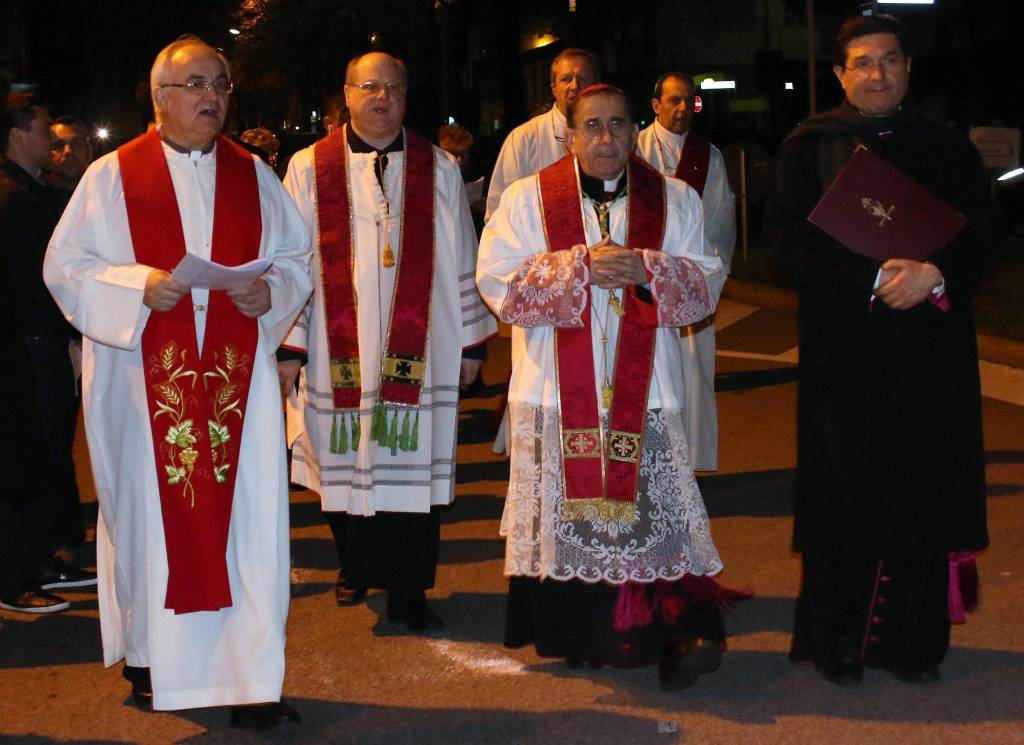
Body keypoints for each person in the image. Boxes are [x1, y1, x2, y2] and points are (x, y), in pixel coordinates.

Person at [44, 35, 312, 727]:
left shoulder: (253, 174)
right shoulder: (110, 177)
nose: (210, 96)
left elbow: (295, 259)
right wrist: (137, 285)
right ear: (160, 97)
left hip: (236, 389)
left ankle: (249, 678)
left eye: (219, 83)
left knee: (246, 524)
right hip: (142, 388)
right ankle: (155, 658)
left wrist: (269, 291)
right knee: (149, 522)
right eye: (193, 83)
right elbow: (65, 268)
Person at [763, 14, 1005, 685]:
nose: (878, 73)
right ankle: (838, 643)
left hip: (931, 353)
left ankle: (913, 645)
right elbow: (789, 240)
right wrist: (873, 277)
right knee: (848, 495)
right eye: (863, 62)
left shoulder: (946, 148)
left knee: (922, 494)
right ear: (841, 72)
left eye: (891, 60)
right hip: (849, 354)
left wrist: (937, 272)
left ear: (908, 68)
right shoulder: (810, 146)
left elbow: (986, 230)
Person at [477, 83, 744, 689]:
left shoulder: (674, 199)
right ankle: (580, 635)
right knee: (571, 512)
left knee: (654, 515)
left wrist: (646, 269)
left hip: (646, 390)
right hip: (554, 389)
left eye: (617, 124)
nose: (605, 137)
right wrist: (577, 268)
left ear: (633, 130)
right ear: (568, 134)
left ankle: (670, 635)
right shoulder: (526, 200)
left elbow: (704, 282)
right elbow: (496, 282)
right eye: (591, 125)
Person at [281, 52, 496, 631]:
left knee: (412, 469)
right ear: (346, 94)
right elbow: (292, 259)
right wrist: (290, 345)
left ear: (407, 95)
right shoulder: (308, 166)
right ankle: (354, 566)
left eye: (394, 87)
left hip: (421, 348)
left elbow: (463, 253)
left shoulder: (439, 168)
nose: (382, 98)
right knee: (341, 459)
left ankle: (408, 593)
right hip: (335, 346)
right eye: (369, 86)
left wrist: (472, 343)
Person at [1, 93, 95, 614]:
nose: (51, 142)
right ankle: (25, 570)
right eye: (42, 131)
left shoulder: (34, 191)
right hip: (32, 349)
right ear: (18, 135)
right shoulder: (12, 197)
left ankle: (47, 558)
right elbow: (37, 281)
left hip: (47, 343)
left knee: (53, 455)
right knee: (35, 456)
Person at [636, 72, 736, 472]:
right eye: (673, 100)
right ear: (656, 104)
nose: (681, 108)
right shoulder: (635, 150)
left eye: (688, 101)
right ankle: (650, 461)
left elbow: (721, 222)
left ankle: (691, 461)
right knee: (647, 374)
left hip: (691, 281)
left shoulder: (709, 155)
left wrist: (707, 280)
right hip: (645, 279)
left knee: (695, 374)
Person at [485, 47, 599, 221]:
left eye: (583, 78)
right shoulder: (524, 138)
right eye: (566, 79)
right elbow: (500, 211)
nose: (575, 86)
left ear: (596, 86)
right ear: (554, 88)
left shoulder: (610, 138)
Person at [48, 116, 94, 203]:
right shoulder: (33, 200)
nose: (68, 151)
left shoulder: (107, 193)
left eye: (76, 143)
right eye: (59, 145)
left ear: (89, 152)